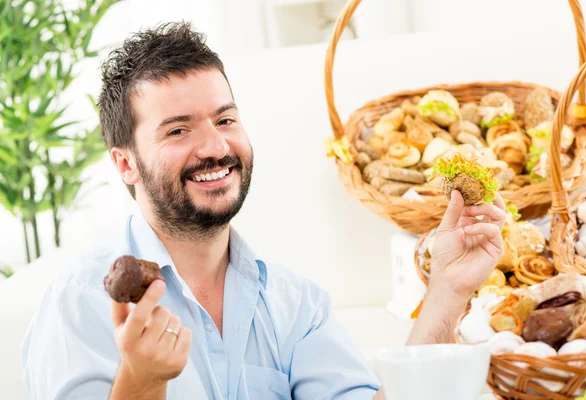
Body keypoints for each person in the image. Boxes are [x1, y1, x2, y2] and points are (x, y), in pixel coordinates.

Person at [20, 22, 506, 400]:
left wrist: (447, 290)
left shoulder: (296, 306)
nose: (215, 146)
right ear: (126, 163)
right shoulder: (78, 305)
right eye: (178, 130)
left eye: (225, 119)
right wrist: (143, 382)